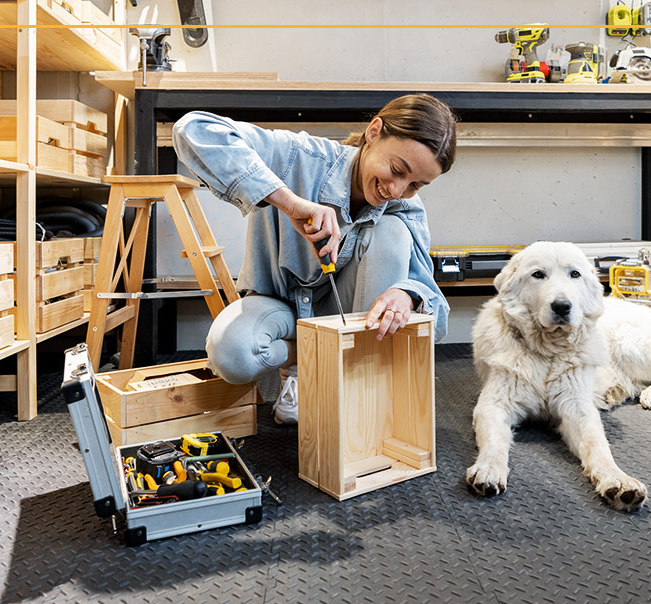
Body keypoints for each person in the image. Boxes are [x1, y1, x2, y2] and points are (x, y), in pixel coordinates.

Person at [172, 93, 458, 425]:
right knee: (231, 353)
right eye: (397, 169)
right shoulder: (299, 157)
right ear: (374, 131)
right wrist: (289, 203)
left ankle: (353, 384)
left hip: (349, 318)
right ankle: (305, 365)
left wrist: (406, 294)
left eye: (415, 185)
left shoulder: (406, 206)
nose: (396, 190)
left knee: (393, 230)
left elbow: (436, 313)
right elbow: (192, 129)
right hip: (277, 304)